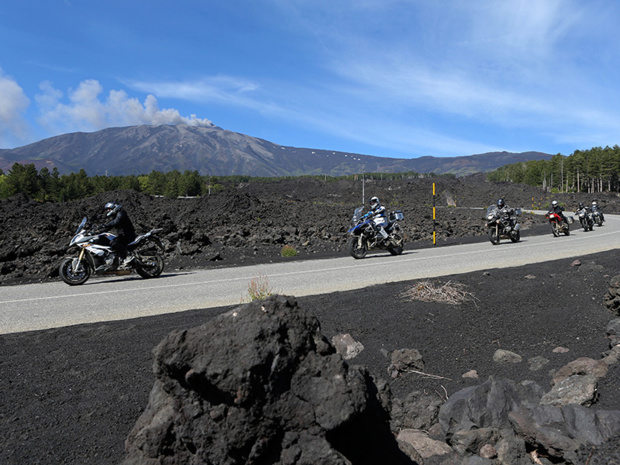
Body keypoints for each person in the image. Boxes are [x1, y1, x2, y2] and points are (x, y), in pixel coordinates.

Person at [95, 202, 136, 270]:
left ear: (114, 208)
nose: (108, 211)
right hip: (122, 235)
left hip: (128, 235)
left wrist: (104, 225)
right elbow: (109, 227)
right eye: (107, 209)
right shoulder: (115, 216)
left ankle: (128, 255)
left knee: (114, 243)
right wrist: (97, 232)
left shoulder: (121, 213)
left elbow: (116, 222)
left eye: (109, 209)